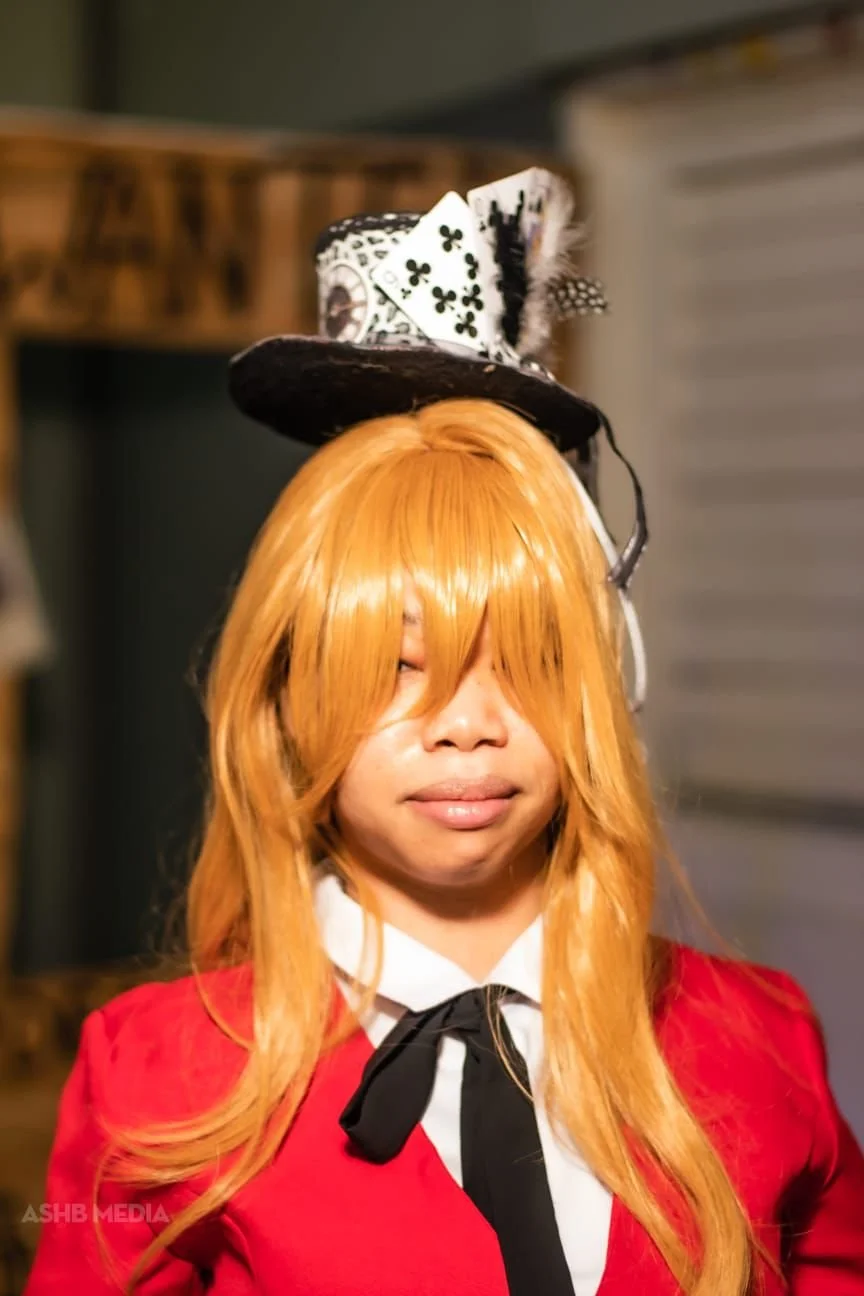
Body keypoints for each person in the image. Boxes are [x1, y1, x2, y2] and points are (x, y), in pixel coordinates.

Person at [24, 170, 864, 1296]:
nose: (468, 725)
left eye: (529, 664)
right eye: (394, 669)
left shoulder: (762, 1036)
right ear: (286, 703)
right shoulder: (157, 1074)